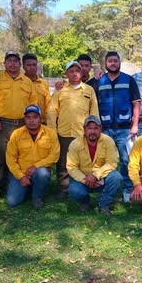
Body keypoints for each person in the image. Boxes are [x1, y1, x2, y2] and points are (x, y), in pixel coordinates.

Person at [0, 51, 37, 200]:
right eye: (9, 61)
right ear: (4, 63)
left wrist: (31, 123)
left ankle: (19, 188)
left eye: (15, 61)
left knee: (20, 158)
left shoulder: (27, 82)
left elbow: (33, 104)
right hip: (2, 124)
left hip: (22, 125)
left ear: (20, 64)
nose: (13, 63)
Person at [47, 61, 99, 199]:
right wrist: (52, 132)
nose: (75, 73)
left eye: (77, 70)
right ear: (66, 73)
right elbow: (52, 111)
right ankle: (63, 189)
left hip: (82, 134)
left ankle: (81, 187)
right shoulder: (60, 89)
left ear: (82, 73)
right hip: (64, 133)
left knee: (82, 162)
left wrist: (94, 131)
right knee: (63, 163)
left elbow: (94, 112)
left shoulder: (89, 90)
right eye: (71, 71)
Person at [95, 51, 141, 203]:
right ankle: (108, 189)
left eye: (115, 61)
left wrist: (135, 125)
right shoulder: (100, 82)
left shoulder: (128, 80)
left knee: (126, 160)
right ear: (105, 64)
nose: (113, 63)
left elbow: (136, 103)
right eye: (110, 61)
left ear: (119, 62)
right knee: (105, 160)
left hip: (124, 129)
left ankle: (128, 189)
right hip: (105, 128)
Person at [5, 104, 60, 208]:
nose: (31, 120)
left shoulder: (51, 133)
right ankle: (27, 189)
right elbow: (10, 158)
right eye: (28, 117)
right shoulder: (16, 134)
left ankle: (37, 197)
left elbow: (54, 155)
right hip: (21, 173)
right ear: (24, 119)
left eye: (35, 117)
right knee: (11, 202)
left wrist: (36, 166)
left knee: (42, 174)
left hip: (39, 172)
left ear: (40, 118)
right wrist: (20, 176)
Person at [67, 115, 122, 215]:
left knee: (116, 177)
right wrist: (86, 179)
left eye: (96, 128)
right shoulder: (75, 144)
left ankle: (104, 205)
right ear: (84, 129)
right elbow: (71, 167)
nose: (92, 131)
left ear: (100, 129)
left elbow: (112, 162)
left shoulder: (108, 141)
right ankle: (85, 202)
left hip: (101, 178)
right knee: (74, 191)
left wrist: (95, 176)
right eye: (89, 128)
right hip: (83, 179)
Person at [22, 53, 50, 124]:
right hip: (25, 122)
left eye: (34, 65)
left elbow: (48, 104)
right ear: (23, 67)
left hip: (42, 121)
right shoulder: (19, 82)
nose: (32, 67)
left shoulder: (44, 83)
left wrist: (48, 120)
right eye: (28, 65)